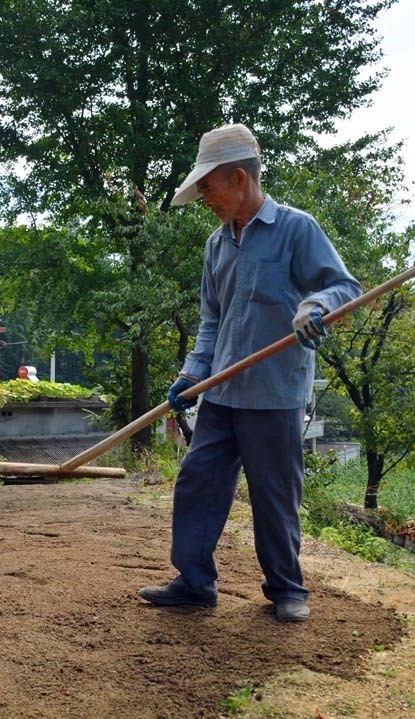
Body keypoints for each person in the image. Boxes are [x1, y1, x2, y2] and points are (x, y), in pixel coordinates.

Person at [138, 123, 362, 623]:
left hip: (274, 395)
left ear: (239, 178)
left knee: (274, 494)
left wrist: (315, 305)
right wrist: (192, 372)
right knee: (197, 483)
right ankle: (195, 583)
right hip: (221, 392)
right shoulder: (217, 246)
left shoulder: (296, 230)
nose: (204, 201)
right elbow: (212, 320)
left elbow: (345, 287)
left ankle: (286, 587)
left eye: (208, 189)